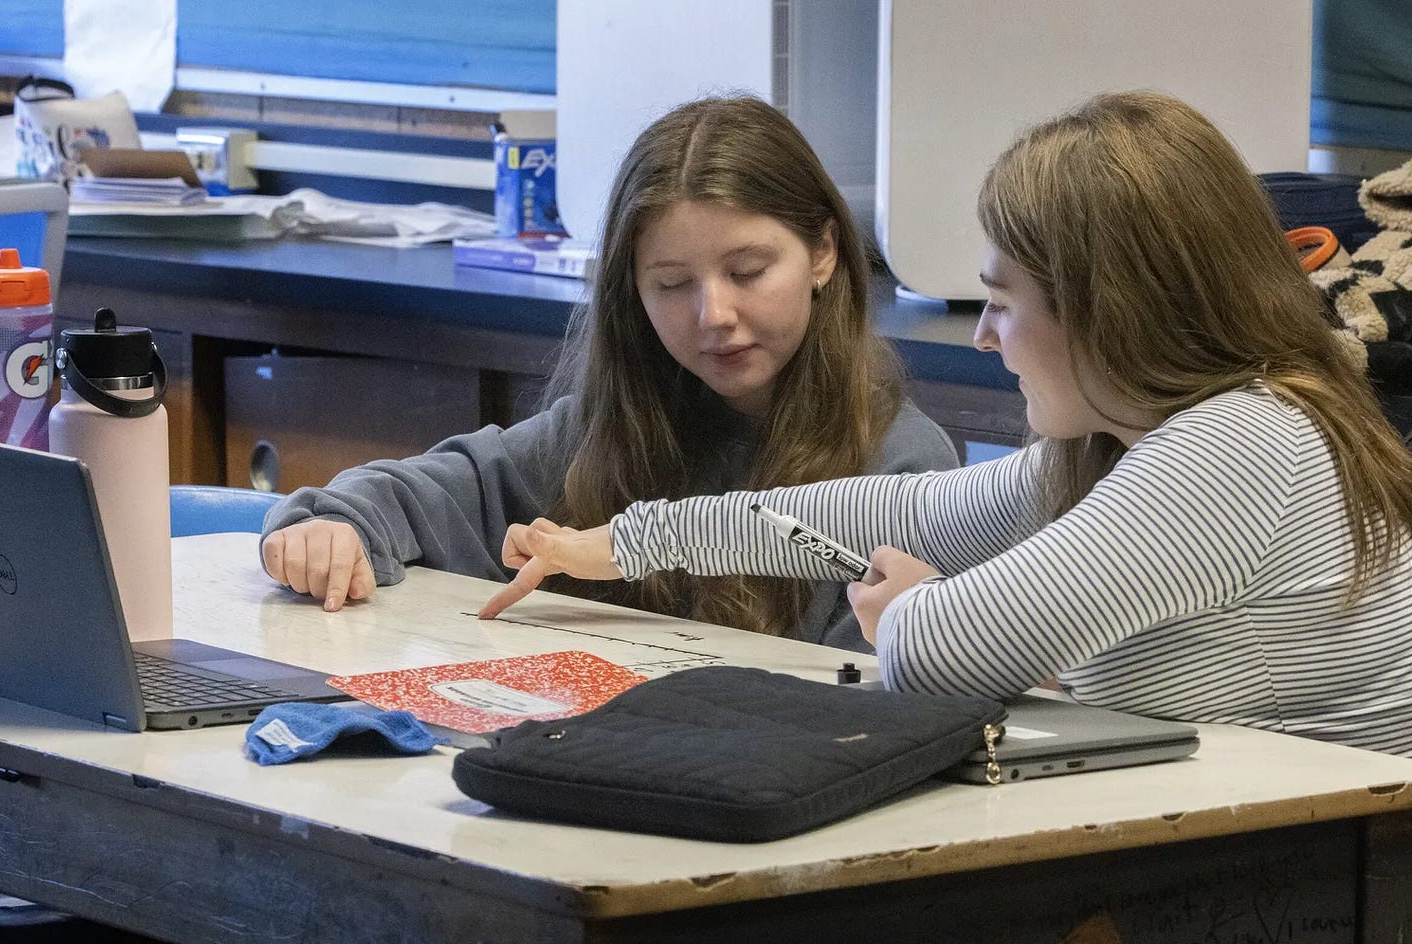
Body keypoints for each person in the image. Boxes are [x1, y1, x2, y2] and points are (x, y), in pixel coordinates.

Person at [481, 90, 1412, 758]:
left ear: (1107, 309)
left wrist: (910, 608)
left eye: (1005, 300)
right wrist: (625, 541)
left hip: (1306, 939)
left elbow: (943, 649)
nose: (981, 333)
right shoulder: (1122, 443)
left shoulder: (1242, 443)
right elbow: (895, 514)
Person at [258, 95, 958, 653]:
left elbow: (872, 708)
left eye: (747, 272)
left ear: (825, 253)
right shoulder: (611, 432)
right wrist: (333, 528)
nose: (713, 313)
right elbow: (419, 492)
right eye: (670, 284)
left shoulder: (902, 469)